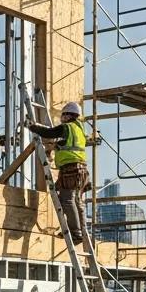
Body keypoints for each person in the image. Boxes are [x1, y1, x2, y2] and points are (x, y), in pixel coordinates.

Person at [27, 100, 89, 243]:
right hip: (81, 170)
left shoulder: (67, 127)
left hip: (71, 170)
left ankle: (76, 232)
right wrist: (56, 146)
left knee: (66, 200)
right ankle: (82, 230)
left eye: (63, 115)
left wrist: (33, 127)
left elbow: (49, 133)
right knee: (77, 201)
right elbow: (69, 145)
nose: (62, 118)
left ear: (68, 115)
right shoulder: (79, 130)